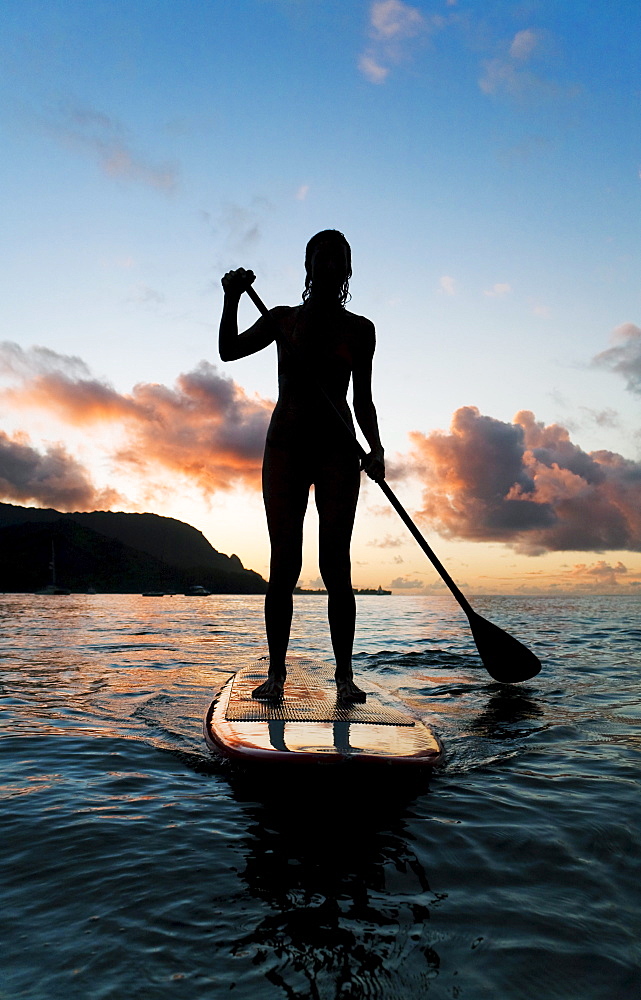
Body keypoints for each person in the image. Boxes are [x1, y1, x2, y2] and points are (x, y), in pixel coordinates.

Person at [219, 230, 385, 703]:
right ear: (308, 267)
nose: (331, 265)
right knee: (284, 565)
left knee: (337, 568)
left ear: (349, 270)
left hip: (338, 452)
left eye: (340, 259)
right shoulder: (281, 321)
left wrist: (376, 450)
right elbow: (228, 350)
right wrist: (232, 297)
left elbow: (365, 400)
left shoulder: (361, 330)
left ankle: (345, 678)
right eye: (322, 257)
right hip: (286, 451)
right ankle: (276, 676)